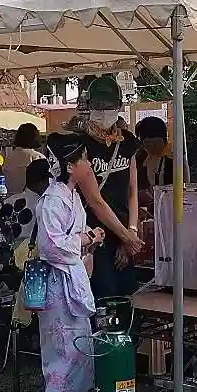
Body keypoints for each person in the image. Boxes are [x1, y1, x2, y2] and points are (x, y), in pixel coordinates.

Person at [26, 133, 104, 392]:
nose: (89, 164)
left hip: (69, 284)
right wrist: (86, 239)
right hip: (58, 288)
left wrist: (89, 239)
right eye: (84, 159)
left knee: (78, 352)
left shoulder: (69, 196)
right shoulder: (54, 199)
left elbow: (68, 240)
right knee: (64, 356)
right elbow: (50, 246)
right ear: (71, 165)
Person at [68, 75, 141, 299]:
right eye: (98, 105)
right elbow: (94, 200)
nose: (104, 111)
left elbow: (132, 190)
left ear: (119, 106)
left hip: (124, 233)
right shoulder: (79, 144)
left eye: (109, 106)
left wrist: (131, 232)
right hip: (91, 235)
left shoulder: (127, 142)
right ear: (89, 106)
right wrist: (127, 237)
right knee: (103, 292)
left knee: (127, 294)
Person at [3, 123, 46, 194]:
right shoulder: (38, 157)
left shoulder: (8, 158)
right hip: (32, 199)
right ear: (35, 137)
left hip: (11, 198)